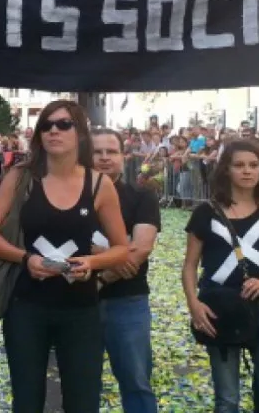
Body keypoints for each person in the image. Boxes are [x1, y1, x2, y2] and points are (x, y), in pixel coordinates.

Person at [0, 100, 130, 413]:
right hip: (27, 308)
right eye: (46, 125)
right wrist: (25, 259)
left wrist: (91, 263)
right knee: (27, 400)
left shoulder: (99, 184)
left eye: (63, 124)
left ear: (80, 134)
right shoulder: (21, 177)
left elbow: (122, 248)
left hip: (81, 310)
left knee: (83, 402)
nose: (53, 131)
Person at [182, 139, 259, 413]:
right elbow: (189, 266)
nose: (247, 171)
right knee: (227, 398)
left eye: (254, 165)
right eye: (239, 165)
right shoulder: (205, 213)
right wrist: (194, 305)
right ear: (227, 171)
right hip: (218, 308)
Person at [90, 128, 161, 413]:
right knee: (82, 382)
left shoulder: (141, 196)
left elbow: (141, 248)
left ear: (123, 156)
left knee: (136, 381)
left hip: (128, 299)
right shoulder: (70, 195)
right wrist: (119, 256)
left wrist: (100, 273)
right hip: (80, 303)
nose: (105, 158)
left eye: (111, 152)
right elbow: (67, 247)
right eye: (97, 152)